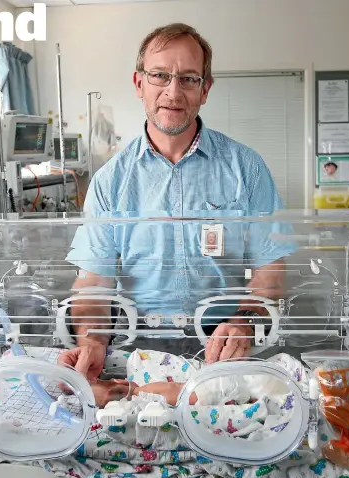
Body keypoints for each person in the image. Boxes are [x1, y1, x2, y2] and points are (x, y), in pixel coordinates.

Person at [60, 23, 294, 382]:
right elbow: (93, 284)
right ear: (139, 84)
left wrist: (244, 323)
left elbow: (270, 272)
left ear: (205, 89)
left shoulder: (245, 168)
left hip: (224, 351)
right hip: (136, 358)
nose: (173, 91)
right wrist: (91, 339)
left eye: (188, 79)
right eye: (160, 76)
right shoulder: (111, 181)